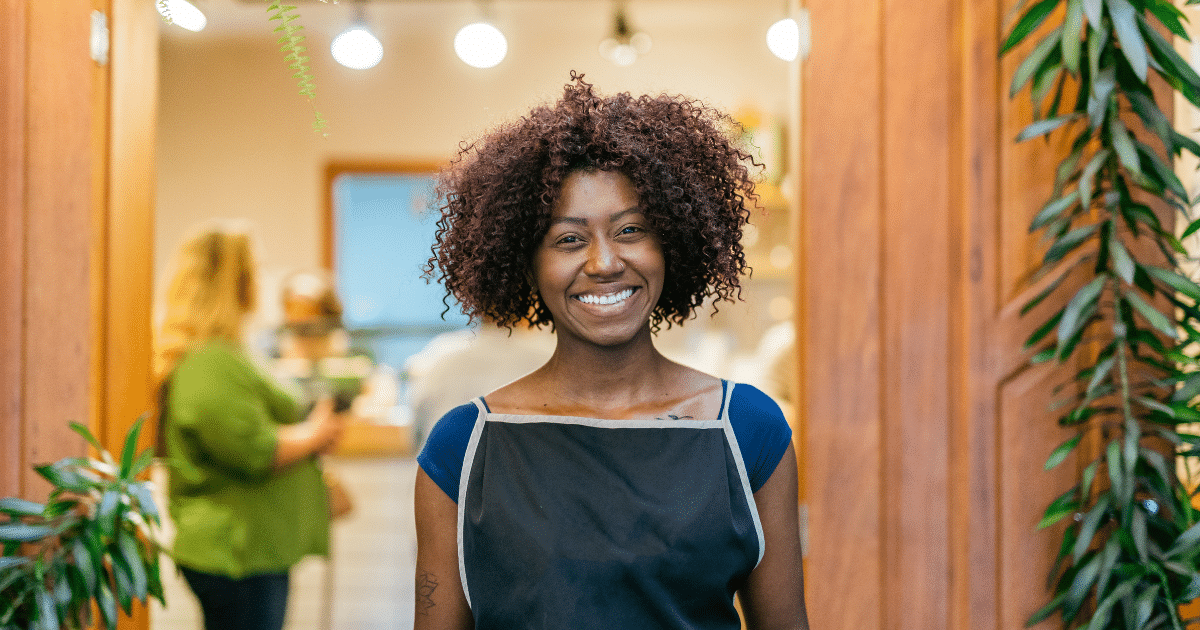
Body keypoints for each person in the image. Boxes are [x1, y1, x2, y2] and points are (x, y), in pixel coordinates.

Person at [414, 73, 810, 630]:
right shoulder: (463, 447)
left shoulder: (745, 431)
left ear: (672, 241)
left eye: (631, 231)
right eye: (569, 239)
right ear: (526, 262)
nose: (603, 262)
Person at [154, 224, 349, 630]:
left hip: (251, 551)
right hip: (236, 553)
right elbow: (254, 450)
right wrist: (314, 433)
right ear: (236, 283)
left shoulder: (223, 355)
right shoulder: (210, 363)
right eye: (254, 271)